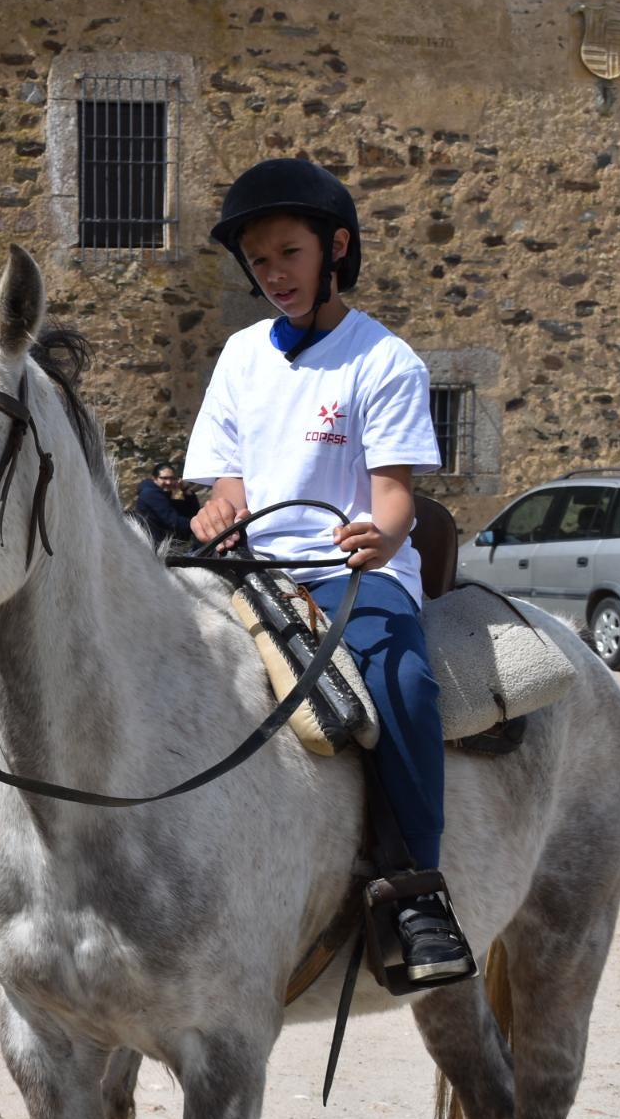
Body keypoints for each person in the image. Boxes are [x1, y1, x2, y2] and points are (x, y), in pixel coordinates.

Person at [183, 157, 473, 986]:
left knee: (404, 682)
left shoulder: (383, 361)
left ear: (336, 247)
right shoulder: (240, 357)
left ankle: (417, 893)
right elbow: (229, 484)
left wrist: (382, 541)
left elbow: (394, 501)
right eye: (259, 260)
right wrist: (215, 513)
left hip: (354, 570)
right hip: (257, 570)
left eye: (289, 253)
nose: (273, 273)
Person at [134, 460, 200, 545]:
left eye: (172, 478)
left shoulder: (162, 495)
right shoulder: (150, 494)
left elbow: (193, 511)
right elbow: (173, 521)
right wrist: (198, 525)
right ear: (154, 479)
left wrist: (185, 489)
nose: (168, 482)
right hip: (155, 547)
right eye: (164, 478)